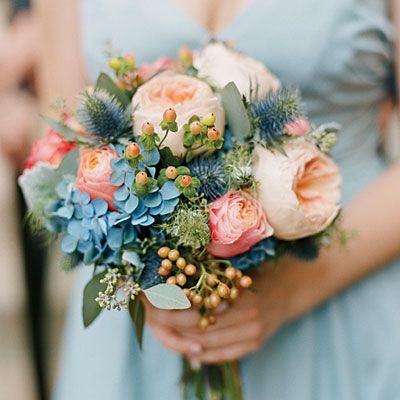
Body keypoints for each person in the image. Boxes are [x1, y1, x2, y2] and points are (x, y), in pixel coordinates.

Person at [34, 0, 400, 399]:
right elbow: (66, 144)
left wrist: (291, 291)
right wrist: (150, 274)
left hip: (343, 293)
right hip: (145, 321)